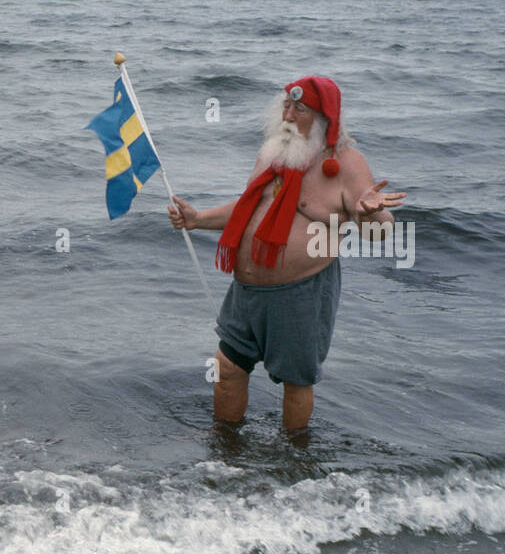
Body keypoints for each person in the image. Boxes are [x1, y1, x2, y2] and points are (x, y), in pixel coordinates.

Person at [168, 76, 405, 429]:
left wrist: (373, 214)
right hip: (246, 292)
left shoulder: (347, 163)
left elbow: (379, 233)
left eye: (300, 109)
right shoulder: (273, 154)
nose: (289, 116)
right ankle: (226, 453)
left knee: (296, 382)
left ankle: (294, 463)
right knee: (228, 368)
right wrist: (197, 219)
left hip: (302, 292)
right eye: (286, 106)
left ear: (324, 119)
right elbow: (249, 208)